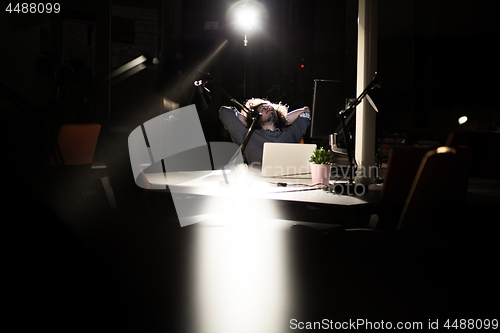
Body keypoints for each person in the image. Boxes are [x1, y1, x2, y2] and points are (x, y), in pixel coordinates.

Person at [219, 98, 311, 168]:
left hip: (287, 180)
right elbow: (225, 111)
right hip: (260, 184)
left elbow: (305, 111)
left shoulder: (290, 134)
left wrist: (283, 119)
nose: (268, 108)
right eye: (263, 108)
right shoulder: (248, 136)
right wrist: (249, 121)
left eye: (271, 108)